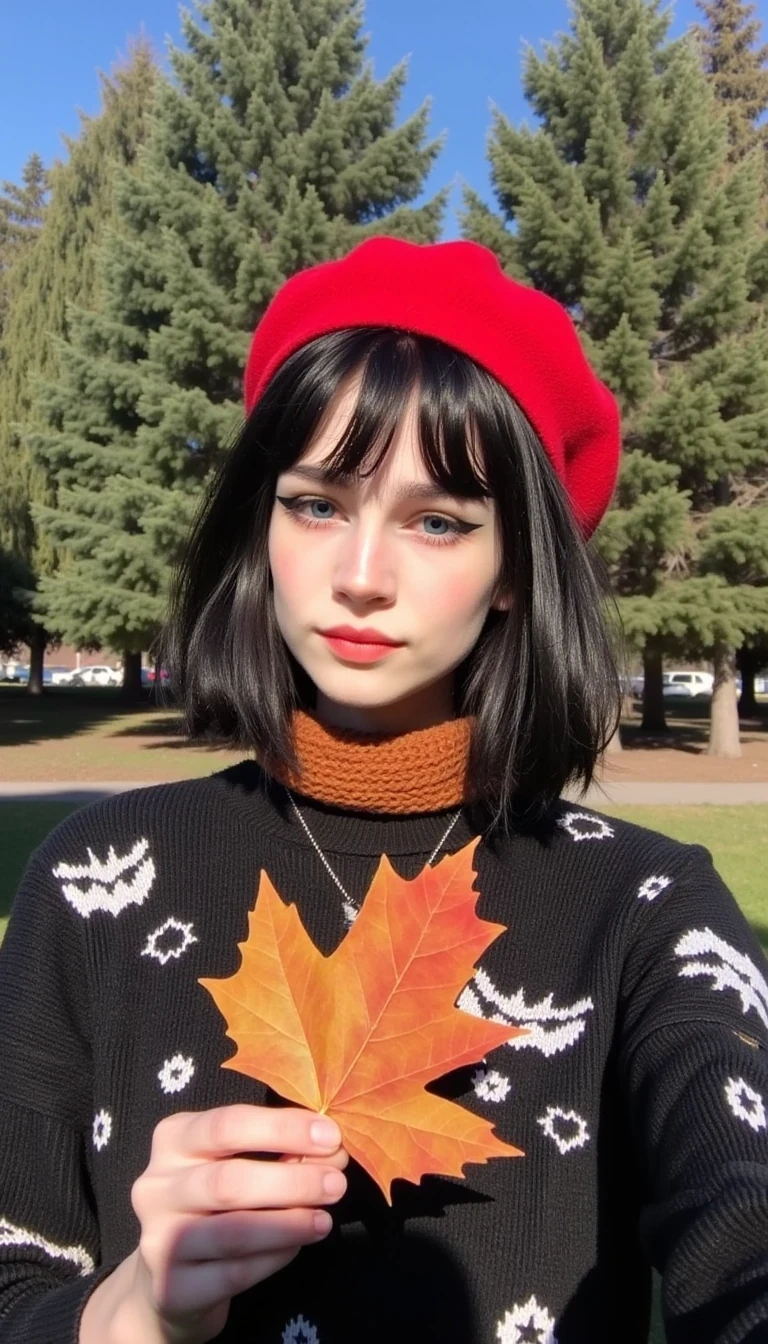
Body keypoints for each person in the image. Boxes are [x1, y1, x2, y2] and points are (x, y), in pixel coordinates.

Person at [0, 237, 766, 1344]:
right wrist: (130, 1312)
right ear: (263, 526)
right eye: (317, 504)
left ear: (514, 575)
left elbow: (741, 1225)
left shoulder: (646, 909)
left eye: (438, 520)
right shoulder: (93, 884)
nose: (361, 573)